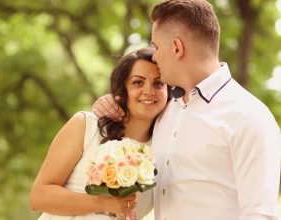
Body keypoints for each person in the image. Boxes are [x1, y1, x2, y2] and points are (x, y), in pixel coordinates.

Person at [92, 0, 281, 220]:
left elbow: (260, 215)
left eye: (156, 47)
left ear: (176, 48)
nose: (154, 56)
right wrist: (111, 104)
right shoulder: (165, 112)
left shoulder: (249, 117)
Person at [29, 48, 169, 219]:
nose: (149, 90)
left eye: (158, 83)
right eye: (137, 82)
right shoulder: (86, 125)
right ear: (122, 89)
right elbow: (38, 197)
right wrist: (103, 203)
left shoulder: (163, 153)